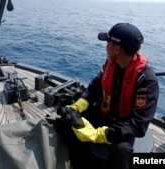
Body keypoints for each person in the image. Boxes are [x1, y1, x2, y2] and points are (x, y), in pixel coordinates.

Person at [56, 23, 159, 169]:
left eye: (108, 43)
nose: (105, 46)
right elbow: (95, 87)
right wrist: (79, 105)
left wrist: (101, 134)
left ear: (116, 49)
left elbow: (139, 124)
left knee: (121, 152)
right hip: (104, 114)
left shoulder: (146, 81)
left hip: (123, 126)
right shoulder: (110, 63)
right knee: (68, 120)